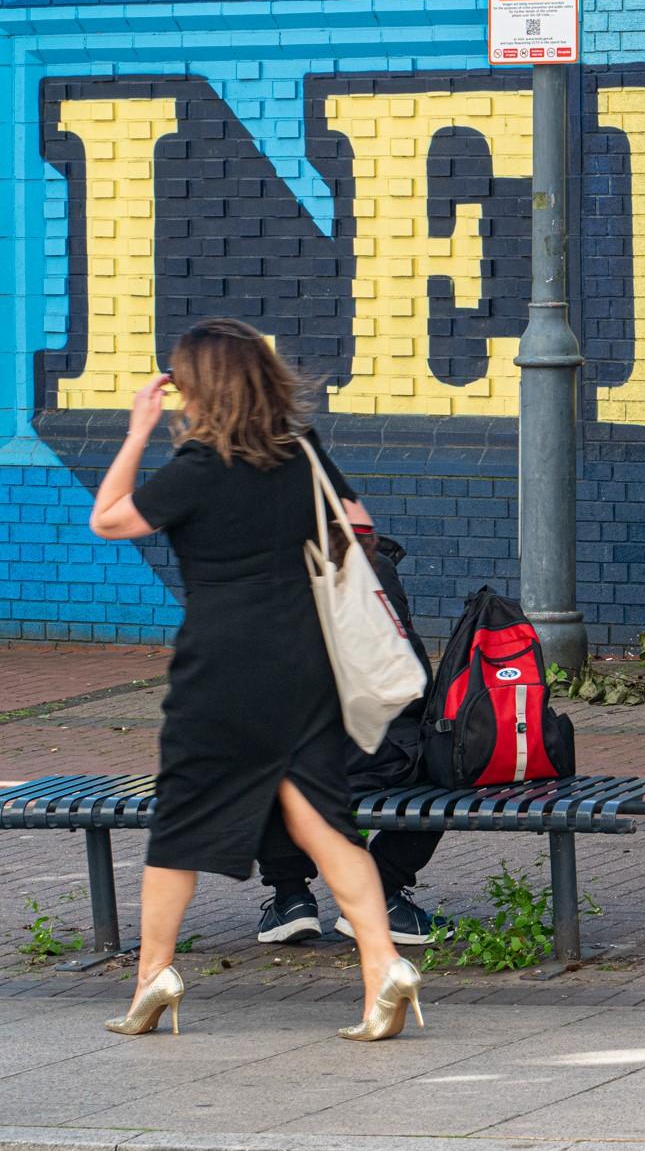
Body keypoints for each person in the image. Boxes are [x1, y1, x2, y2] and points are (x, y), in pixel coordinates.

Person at [88, 318, 424, 1041]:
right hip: (307, 662)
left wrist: (137, 430)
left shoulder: (197, 467)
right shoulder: (302, 452)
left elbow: (109, 520)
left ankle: (153, 978)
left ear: (198, 389)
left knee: (181, 824)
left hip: (222, 669)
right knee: (322, 820)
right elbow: (358, 526)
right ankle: (383, 967)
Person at [256, 531, 446, 948]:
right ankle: (381, 892)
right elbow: (411, 682)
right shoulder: (372, 568)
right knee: (447, 764)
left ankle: (291, 898)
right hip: (377, 754)